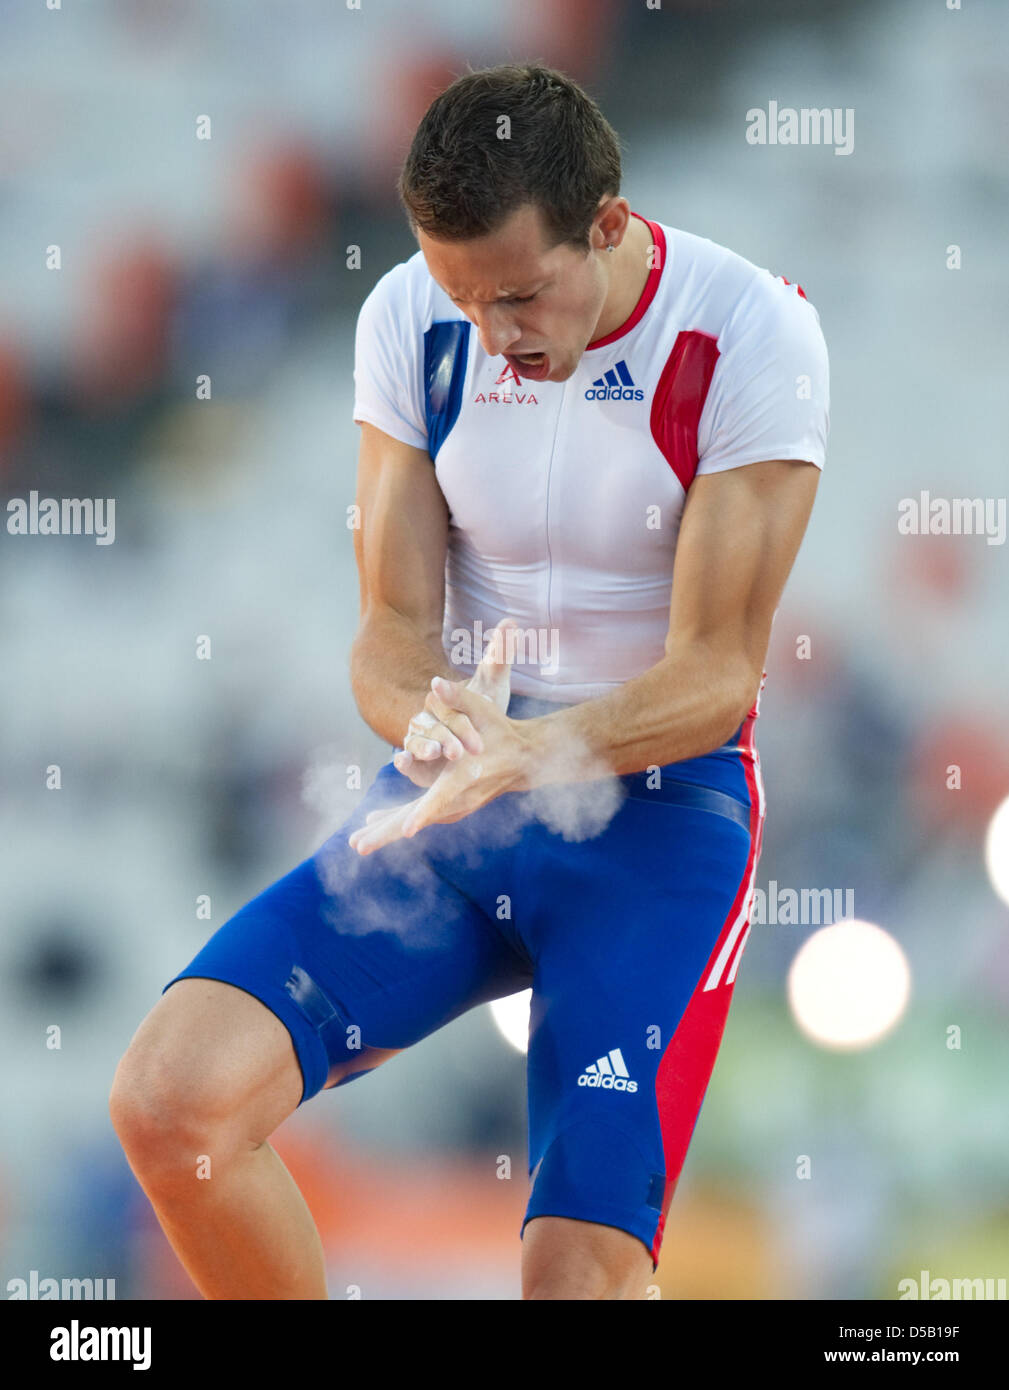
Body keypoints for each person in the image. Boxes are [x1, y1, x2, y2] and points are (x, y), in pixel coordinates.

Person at [110, 62, 828, 1300]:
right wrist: (444, 725)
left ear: (606, 225)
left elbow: (717, 674)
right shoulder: (409, 315)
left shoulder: (748, 328)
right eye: (463, 298)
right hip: (459, 792)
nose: (494, 337)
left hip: (658, 823)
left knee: (572, 1283)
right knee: (170, 1108)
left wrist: (541, 752)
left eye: (521, 296)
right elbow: (388, 631)